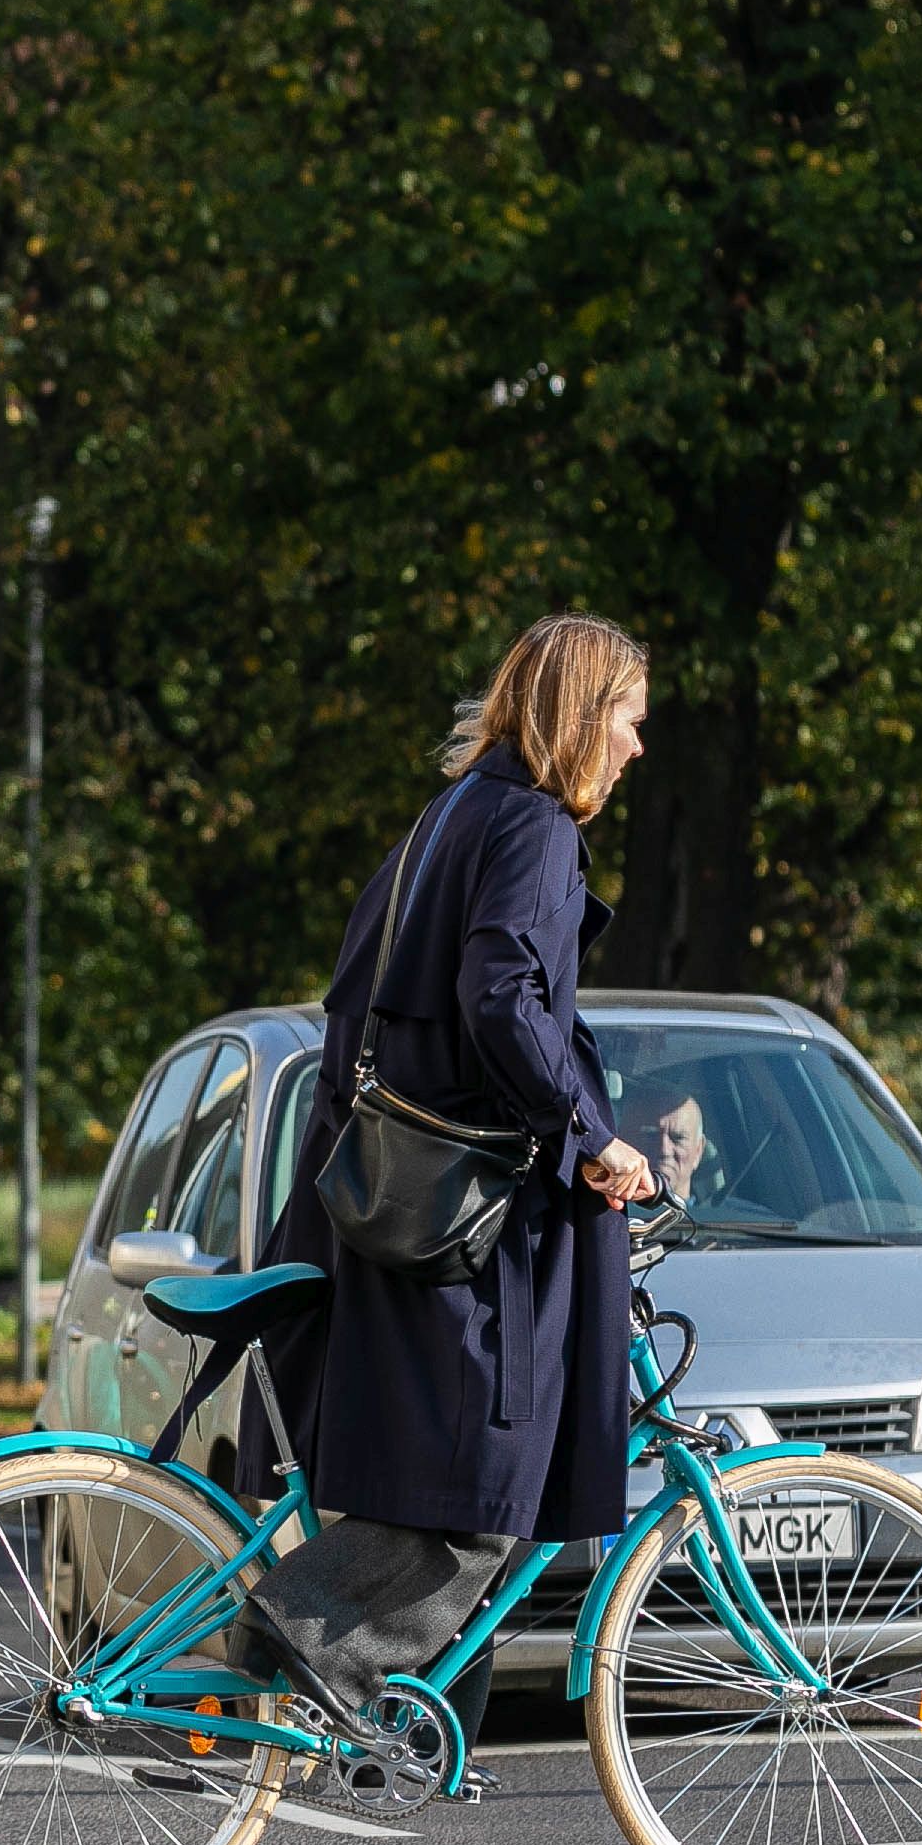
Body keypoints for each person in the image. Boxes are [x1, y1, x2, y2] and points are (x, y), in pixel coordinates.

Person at [237, 613, 659, 1761]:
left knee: (453, 1474)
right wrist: (589, 1135)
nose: (634, 747)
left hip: (388, 1207)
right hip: (460, 1234)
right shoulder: (530, 828)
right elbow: (502, 999)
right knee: (490, 1485)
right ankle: (307, 1638)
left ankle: (378, 1701)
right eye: (625, 718)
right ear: (579, 715)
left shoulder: (450, 818)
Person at [623, 1082, 716, 1214]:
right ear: (623, 1141)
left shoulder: (734, 1222)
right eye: (650, 1135)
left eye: (677, 1138)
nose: (664, 1150)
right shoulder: (596, 1223)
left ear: (698, 1151)